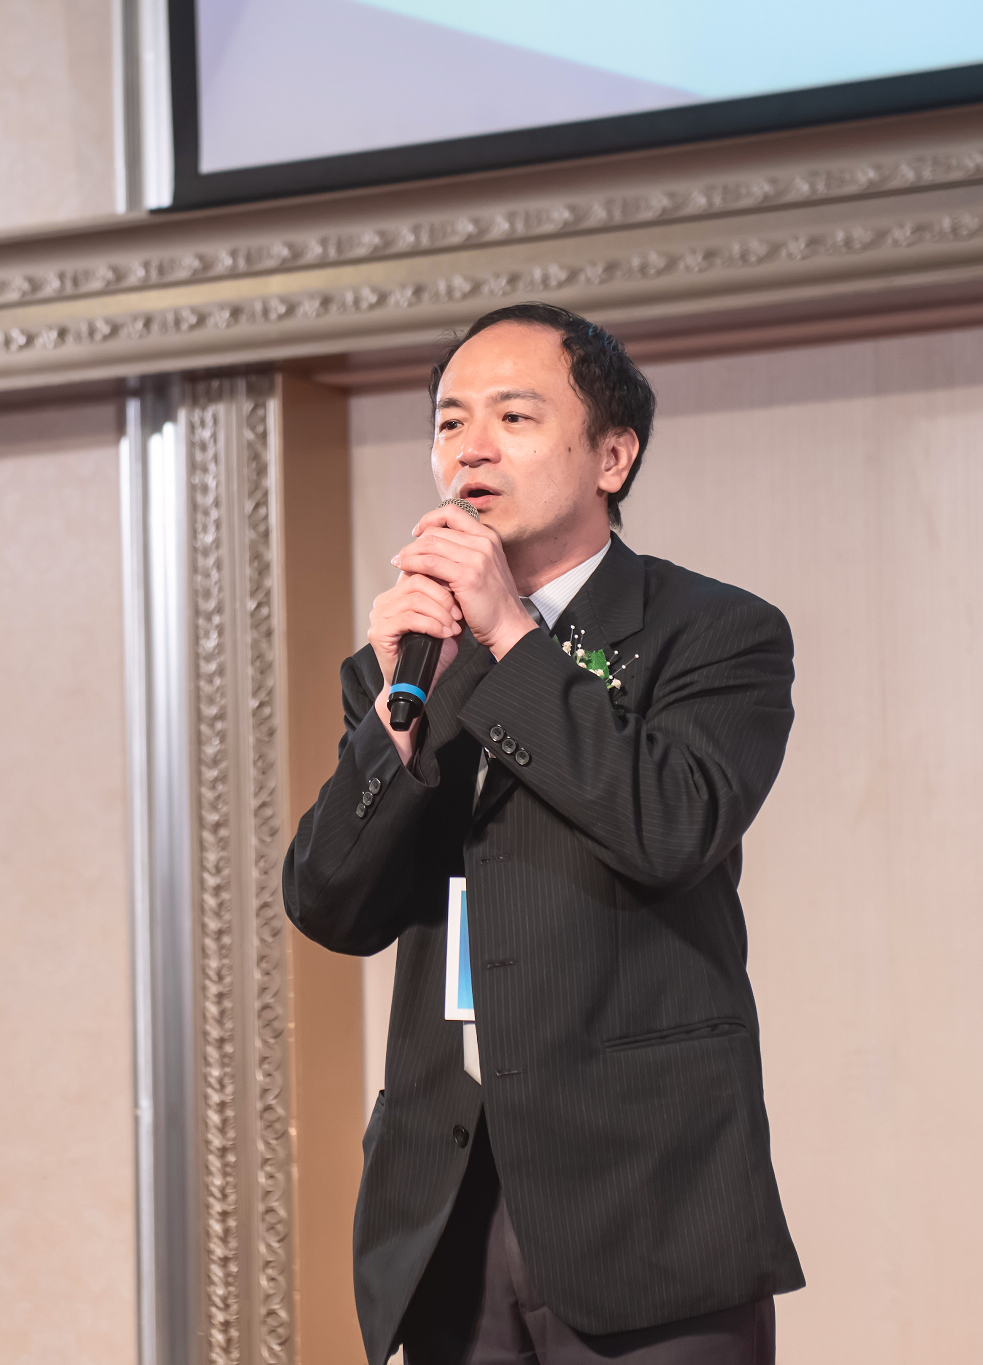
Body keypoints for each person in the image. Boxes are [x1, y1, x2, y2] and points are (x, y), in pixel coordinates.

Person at [283, 302, 803, 1365]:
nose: (469, 448)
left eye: (513, 417)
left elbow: (670, 824)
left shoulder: (713, 632)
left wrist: (513, 638)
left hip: (647, 1198)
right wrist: (394, 719)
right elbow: (329, 903)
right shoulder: (409, 661)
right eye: (448, 422)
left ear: (613, 456)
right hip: (449, 1200)